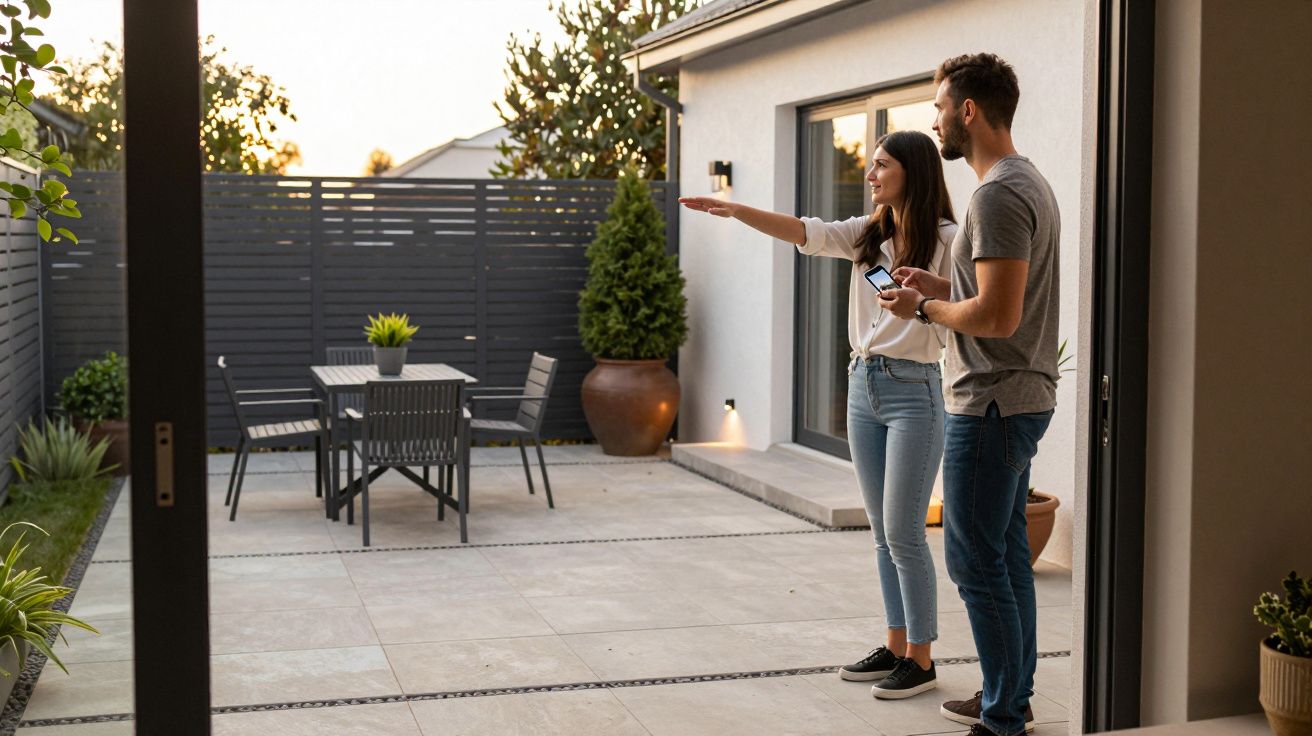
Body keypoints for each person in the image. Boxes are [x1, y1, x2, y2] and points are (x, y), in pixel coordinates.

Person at [681, 129, 955, 700]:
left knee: (906, 532)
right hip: (863, 386)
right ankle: (897, 644)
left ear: (914, 172)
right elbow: (804, 231)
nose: (871, 174)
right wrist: (736, 210)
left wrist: (929, 299)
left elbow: (971, 304)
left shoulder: (950, 240)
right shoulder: (867, 233)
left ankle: (923, 661)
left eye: (882, 166)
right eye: (872, 164)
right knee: (882, 532)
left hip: (915, 392)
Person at [878, 53, 1060, 736]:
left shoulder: (996, 194)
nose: (935, 121)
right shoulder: (1027, 182)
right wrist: (936, 289)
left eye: (939, 108)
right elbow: (991, 299)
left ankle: (1004, 716)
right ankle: (1009, 696)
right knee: (1006, 553)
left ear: (970, 111)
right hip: (1017, 397)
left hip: (990, 402)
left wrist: (922, 313)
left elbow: (998, 319)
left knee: (973, 560)